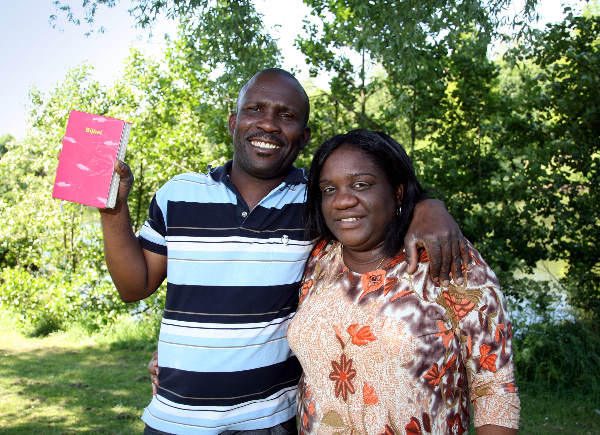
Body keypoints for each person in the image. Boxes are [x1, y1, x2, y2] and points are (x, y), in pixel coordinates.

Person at [102, 68, 469, 434]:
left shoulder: (316, 202)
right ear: (233, 122)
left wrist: (427, 206)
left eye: (286, 115)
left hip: (268, 421)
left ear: (304, 137)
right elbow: (134, 286)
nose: (269, 125)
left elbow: (377, 209)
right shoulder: (179, 194)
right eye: (255, 110)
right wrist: (114, 211)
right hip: (174, 418)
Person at [287, 129, 519, 434]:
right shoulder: (319, 259)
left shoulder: (445, 259)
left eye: (361, 185)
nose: (342, 200)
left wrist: (430, 204)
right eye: (329, 189)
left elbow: (495, 389)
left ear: (396, 192)